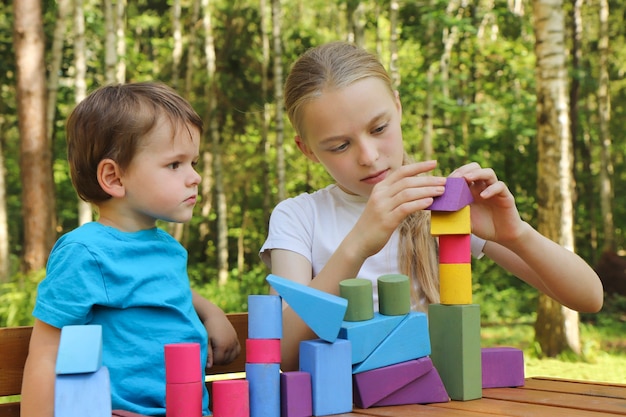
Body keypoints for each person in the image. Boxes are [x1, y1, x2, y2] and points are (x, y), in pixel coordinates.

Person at [259, 41, 604, 371]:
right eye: (339, 146)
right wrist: (358, 243)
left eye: (379, 128)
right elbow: (282, 352)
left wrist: (516, 234)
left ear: (398, 106)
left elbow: (588, 297)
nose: (369, 156)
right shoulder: (298, 217)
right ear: (307, 150)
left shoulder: (440, 204)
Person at [21, 82, 241, 417]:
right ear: (115, 178)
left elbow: (158, 288)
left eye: (193, 162)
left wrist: (211, 311)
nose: (194, 177)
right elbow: (45, 354)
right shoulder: (85, 252)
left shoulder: (166, 247)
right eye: (175, 165)